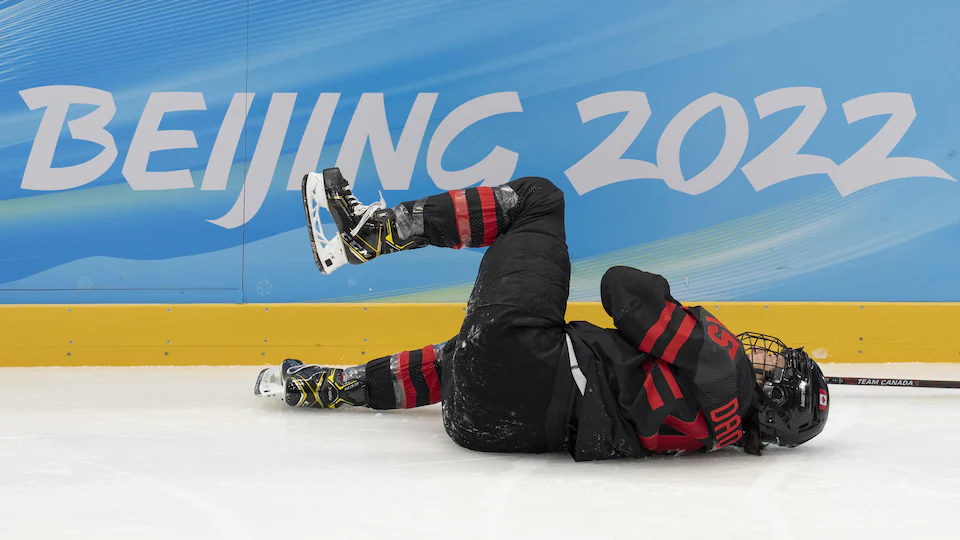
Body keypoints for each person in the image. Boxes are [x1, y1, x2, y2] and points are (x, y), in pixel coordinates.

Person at [254, 169, 830, 461]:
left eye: (778, 363)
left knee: (539, 201)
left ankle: (371, 233)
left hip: (531, 363)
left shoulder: (722, 359)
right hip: (486, 431)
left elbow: (622, 292)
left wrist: (683, 308)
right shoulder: (718, 437)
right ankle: (321, 387)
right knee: (466, 361)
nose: (767, 351)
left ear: (775, 390)